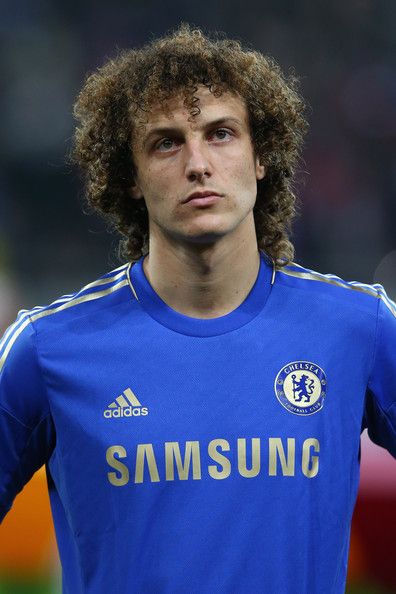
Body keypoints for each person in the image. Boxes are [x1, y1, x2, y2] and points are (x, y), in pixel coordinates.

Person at [0, 24, 395, 594]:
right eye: (166, 142)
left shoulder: (360, 328)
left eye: (221, 134)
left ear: (261, 157)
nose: (197, 164)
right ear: (131, 178)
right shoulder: (47, 348)